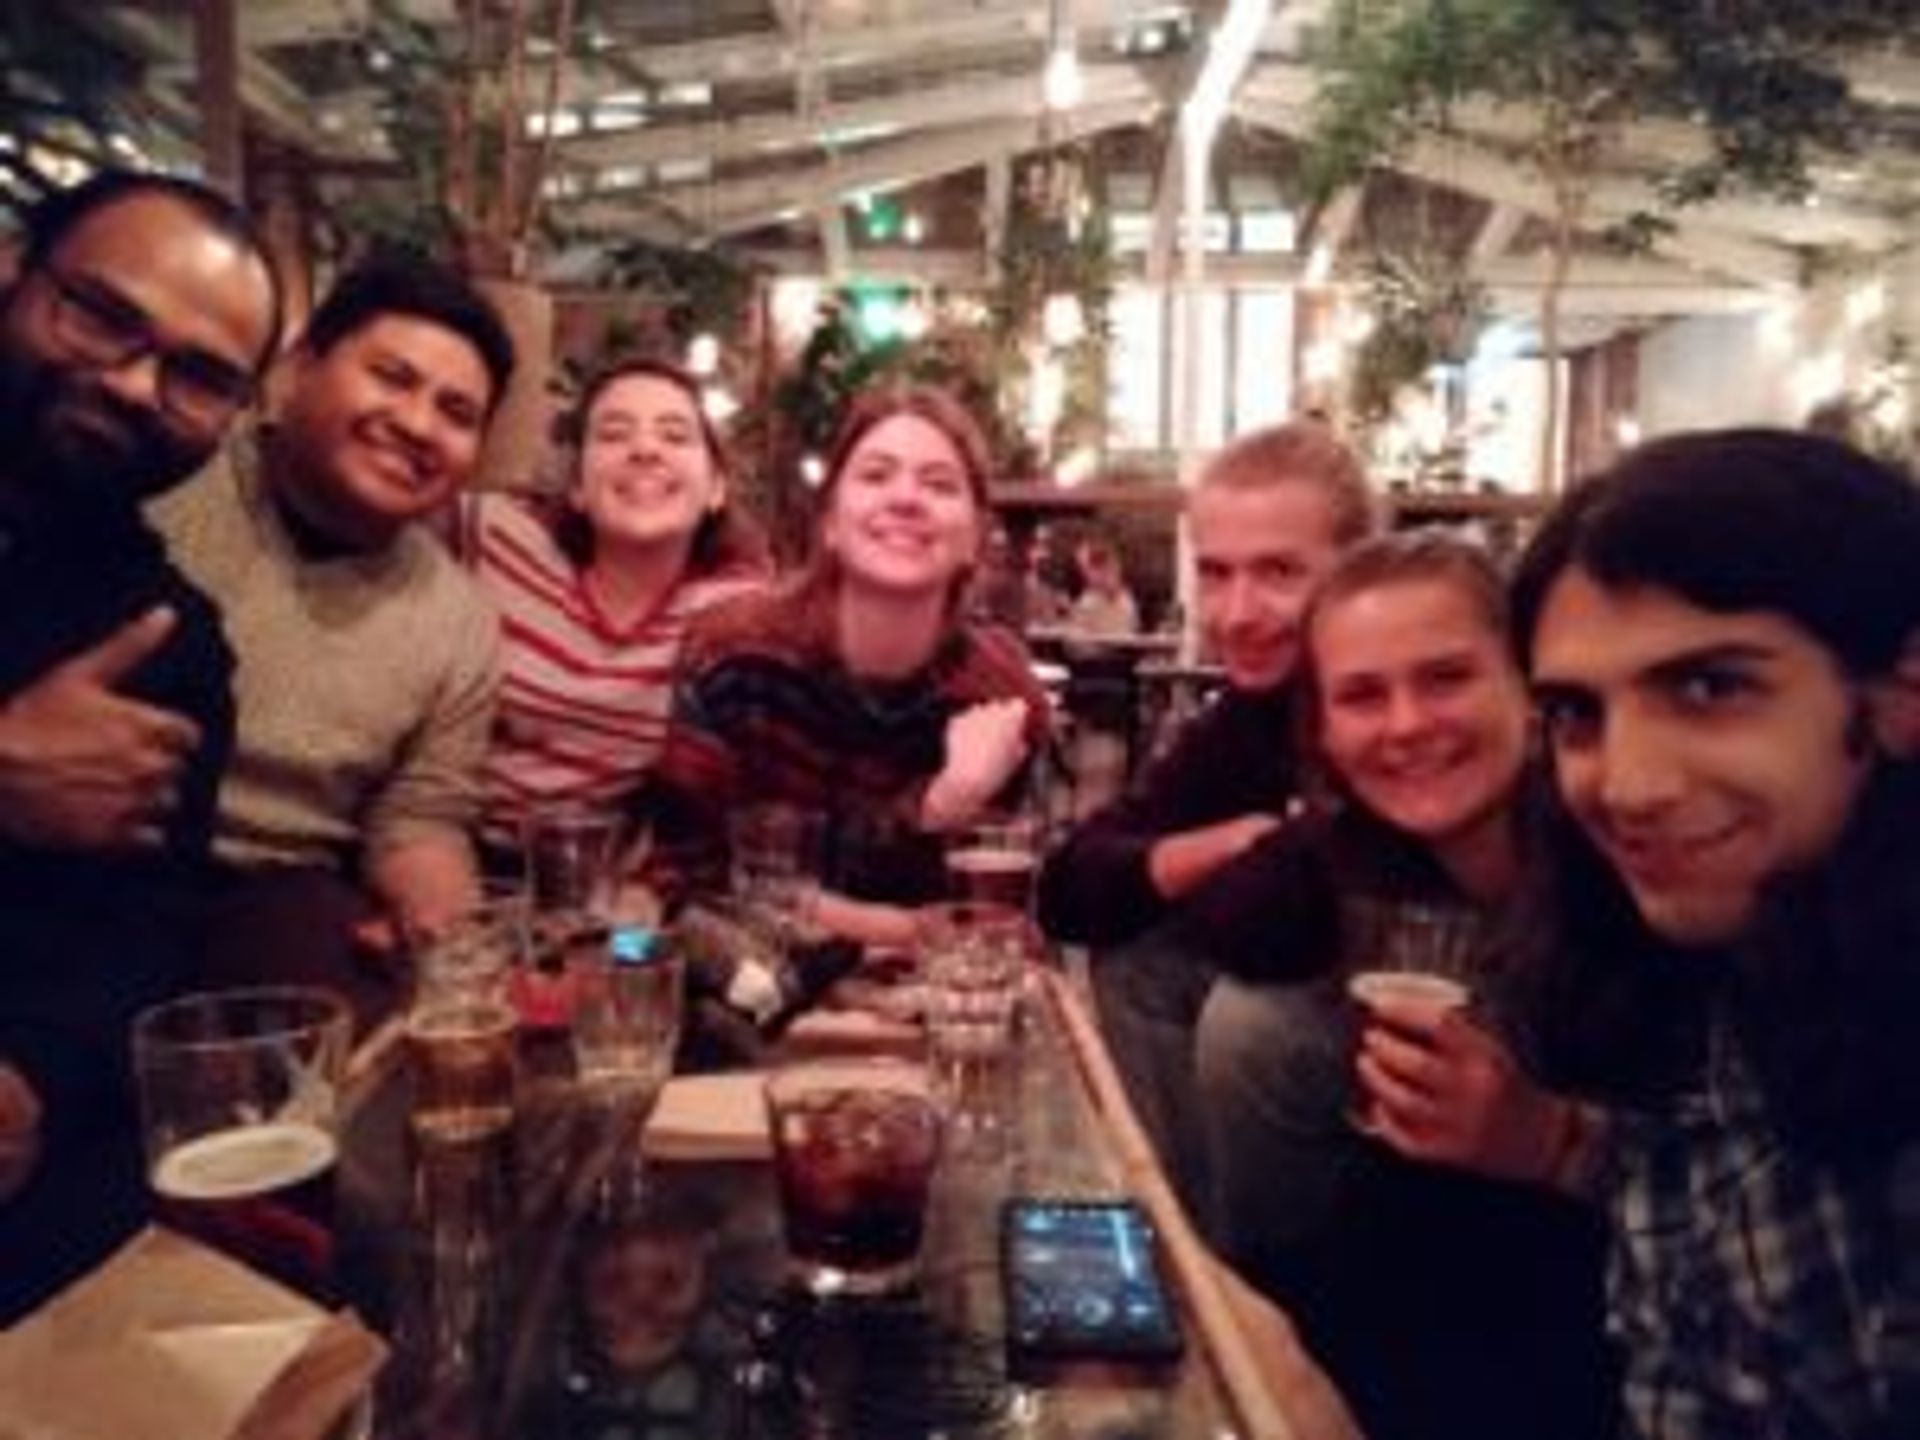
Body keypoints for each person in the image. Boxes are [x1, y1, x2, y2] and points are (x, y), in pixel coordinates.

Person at [1511, 428, 1920, 1439]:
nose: (1628, 784)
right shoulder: (1698, 990)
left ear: (1900, 696)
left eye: (1710, 687)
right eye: (1576, 714)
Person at [1181, 531, 1615, 1440]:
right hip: (1417, 1287)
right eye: (1363, 696)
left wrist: (1554, 1143)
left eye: (1447, 677)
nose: (1408, 724)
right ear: (1326, 733)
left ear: (1529, 691)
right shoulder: (1365, 848)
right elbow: (1216, 913)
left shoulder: (1621, 849)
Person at [0, 170, 282, 1318]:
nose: (131, 383)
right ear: (16, 273)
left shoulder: (167, 634)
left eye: (198, 376)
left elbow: (138, 930)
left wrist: (32, 1078)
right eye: (102, 316)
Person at [151, 253, 513, 1011]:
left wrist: (455, 947)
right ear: (296, 370)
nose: (417, 424)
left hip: (273, 902)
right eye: (391, 376)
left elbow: (420, 816)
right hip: (74, 857)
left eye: (457, 413)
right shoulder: (166, 481)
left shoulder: (455, 619)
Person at [1036, 421, 1373, 1208]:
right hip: (1331, 995)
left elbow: (1280, 924)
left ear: (1359, 572)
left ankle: (1258, 1288)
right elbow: (1070, 889)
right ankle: (1190, 1250)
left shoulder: (1387, 695)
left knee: (1249, 1024)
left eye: (1280, 572)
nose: (1238, 611)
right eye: (1216, 574)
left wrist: (1244, 863)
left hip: (1476, 1031)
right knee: (1138, 962)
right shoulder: (1249, 718)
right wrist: (1224, 845)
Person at [646, 383, 1049, 949]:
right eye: (876, 475)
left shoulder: (1000, 699)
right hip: (746, 1000)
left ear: (975, 540)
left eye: (939, 484)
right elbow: (685, 887)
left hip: (927, 1014)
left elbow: (990, 924)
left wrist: (799, 899)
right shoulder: (732, 657)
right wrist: (936, 813)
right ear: (830, 523)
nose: (906, 498)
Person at [458, 356, 766, 865]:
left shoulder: (733, 612)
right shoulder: (498, 539)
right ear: (577, 487)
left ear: (716, 488)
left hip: (610, 892)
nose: (645, 450)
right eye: (614, 433)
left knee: (635, 947)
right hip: (456, 850)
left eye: (675, 435)